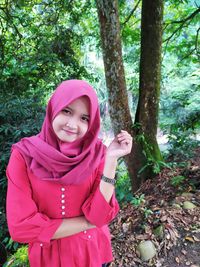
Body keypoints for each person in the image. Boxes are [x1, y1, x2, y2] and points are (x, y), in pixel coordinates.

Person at [6, 80, 132, 267]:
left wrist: (111, 159)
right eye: (67, 111)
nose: (72, 124)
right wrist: (88, 223)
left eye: (84, 118)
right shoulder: (23, 154)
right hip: (48, 258)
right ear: (54, 108)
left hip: (92, 253)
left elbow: (100, 214)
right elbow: (21, 228)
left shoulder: (97, 153)